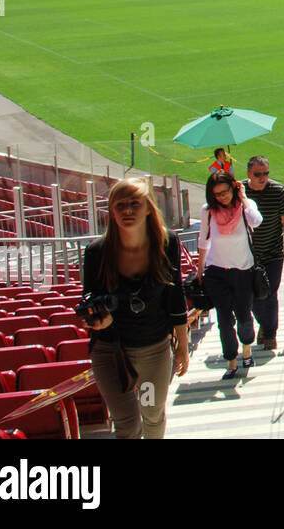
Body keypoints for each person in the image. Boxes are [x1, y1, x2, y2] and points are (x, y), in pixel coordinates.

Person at [81, 177, 188, 439]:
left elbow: (175, 298)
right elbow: (89, 301)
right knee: (127, 426)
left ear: (149, 207)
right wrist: (97, 320)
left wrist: (183, 345)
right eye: (120, 206)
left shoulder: (167, 243)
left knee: (152, 414)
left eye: (134, 204)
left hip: (152, 349)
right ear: (111, 211)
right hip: (111, 352)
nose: (127, 211)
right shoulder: (97, 252)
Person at [198, 171, 262, 380]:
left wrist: (243, 198)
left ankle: (247, 350)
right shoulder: (208, 211)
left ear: (233, 188)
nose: (222, 197)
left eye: (225, 192)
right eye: (217, 194)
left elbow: (257, 221)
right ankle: (231, 361)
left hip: (242, 270)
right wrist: (200, 268)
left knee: (244, 315)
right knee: (224, 320)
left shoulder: (245, 206)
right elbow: (203, 239)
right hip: (216, 271)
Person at [245, 156, 284, 351]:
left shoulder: (277, 192)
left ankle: (270, 334)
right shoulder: (241, 192)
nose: (262, 177)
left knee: (269, 294)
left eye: (266, 173)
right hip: (247, 257)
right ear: (249, 174)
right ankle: (265, 324)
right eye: (258, 174)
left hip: (273, 253)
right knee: (252, 297)